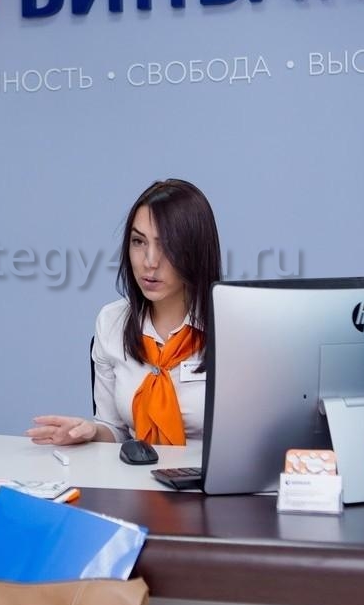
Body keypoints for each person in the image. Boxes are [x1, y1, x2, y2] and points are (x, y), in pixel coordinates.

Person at [27, 179, 222, 447]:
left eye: (167, 245)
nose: (150, 262)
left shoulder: (232, 328)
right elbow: (115, 431)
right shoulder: (112, 322)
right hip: (137, 472)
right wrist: (90, 432)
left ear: (196, 251)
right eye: (138, 241)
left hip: (213, 474)